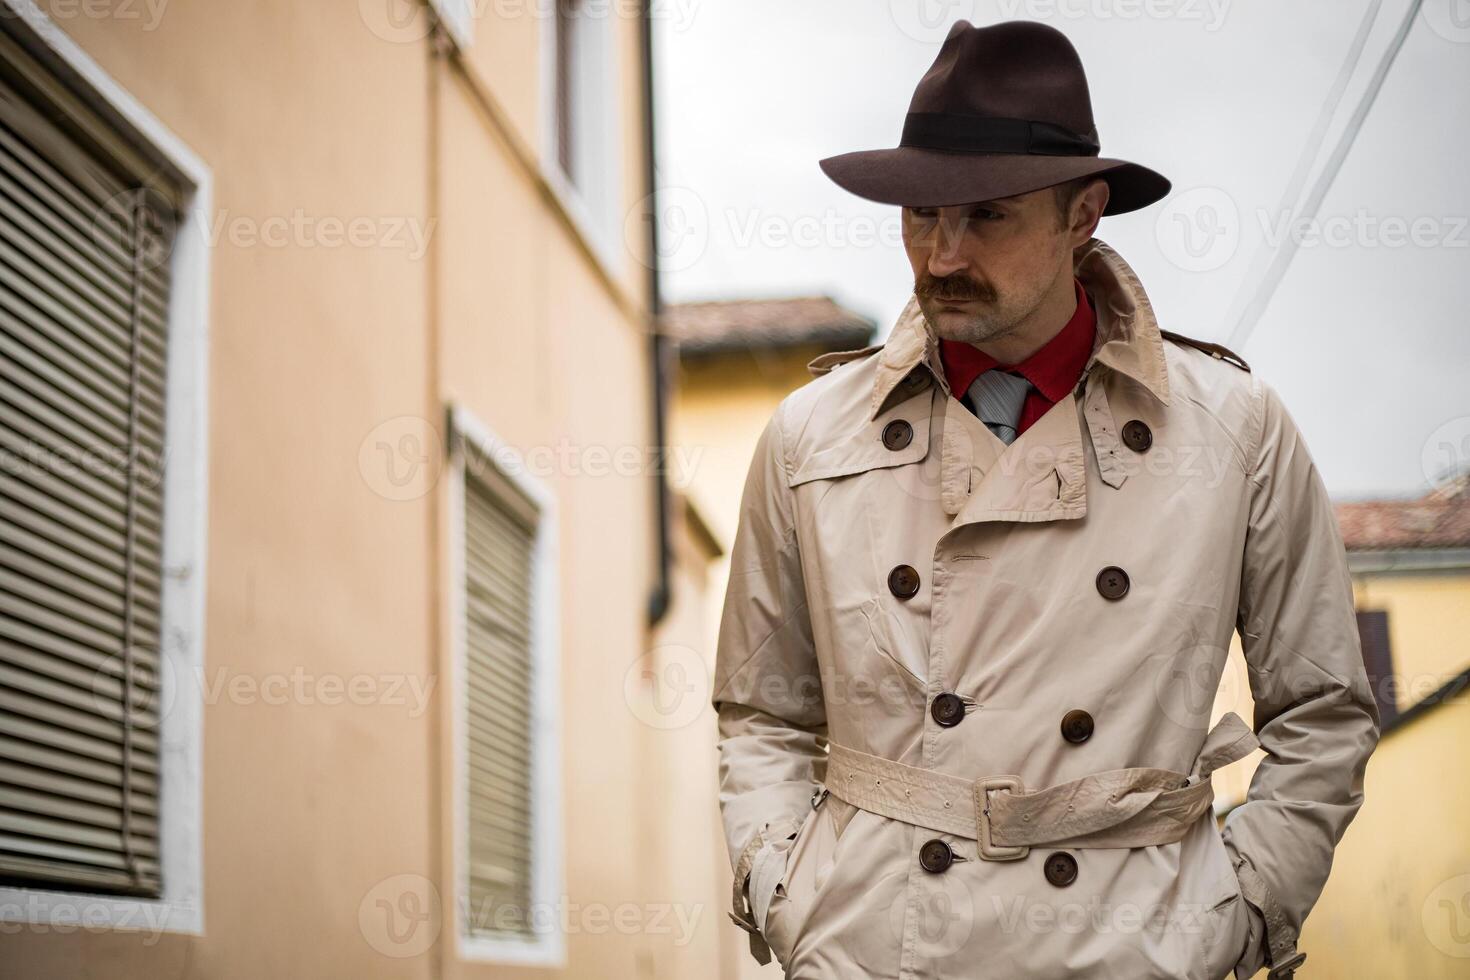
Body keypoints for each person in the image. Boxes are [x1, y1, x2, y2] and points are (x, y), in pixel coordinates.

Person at [711, 19, 1378, 980]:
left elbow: (1321, 713)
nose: (940, 256)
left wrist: (1233, 911)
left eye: (987, 215)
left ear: (1083, 215)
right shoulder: (810, 437)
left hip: (1131, 949)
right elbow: (761, 713)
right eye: (919, 216)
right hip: (875, 949)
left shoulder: (1236, 433)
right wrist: (788, 892)